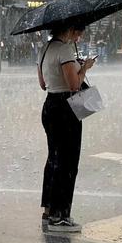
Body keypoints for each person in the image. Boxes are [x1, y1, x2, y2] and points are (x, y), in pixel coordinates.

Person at [39, 23, 94, 232]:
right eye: (78, 31)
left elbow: (43, 83)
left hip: (50, 105)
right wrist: (84, 68)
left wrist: (72, 67)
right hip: (65, 109)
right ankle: (60, 217)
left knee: (54, 159)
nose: (79, 36)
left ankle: (49, 210)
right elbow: (73, 85)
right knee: (68, 162)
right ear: (69, 30)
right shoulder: (64, 50)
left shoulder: (45, 49)